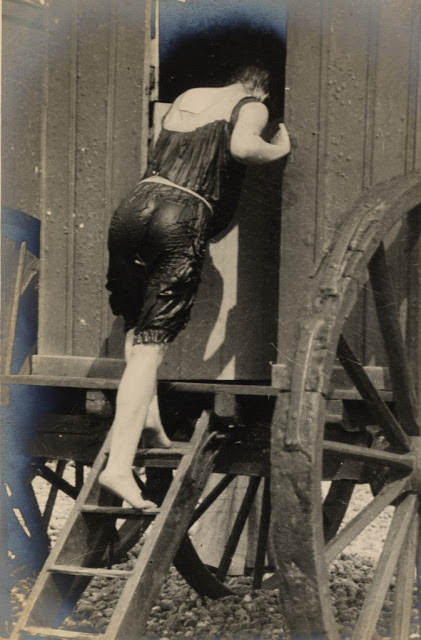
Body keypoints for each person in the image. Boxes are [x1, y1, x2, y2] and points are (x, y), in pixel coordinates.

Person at [99, 66, 290, 510]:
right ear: (259, 86)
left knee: (135, 324)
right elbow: (243, 148)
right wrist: (279, 146)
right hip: (180, 214)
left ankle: (149, 422)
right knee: (152, 346)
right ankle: (119, 467)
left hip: (134, 207)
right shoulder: (251, 104)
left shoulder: (190, 93)